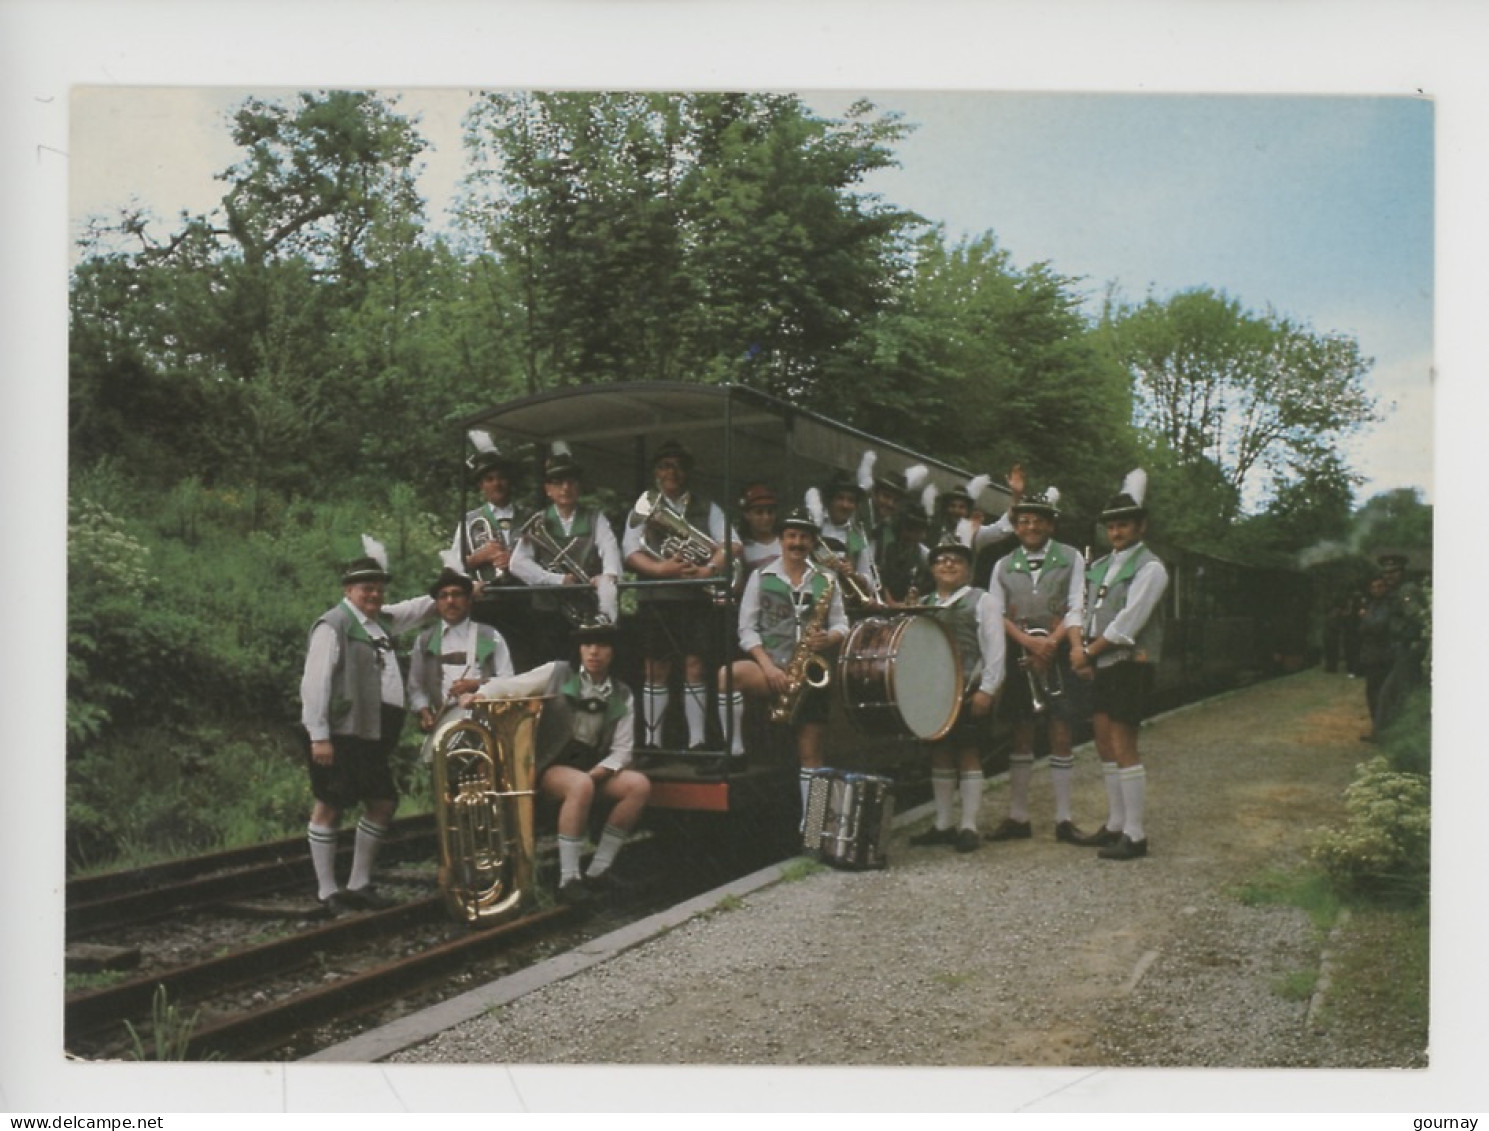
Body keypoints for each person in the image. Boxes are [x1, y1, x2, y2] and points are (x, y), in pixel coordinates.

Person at [299, 545, 436, 913]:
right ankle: (328, 892)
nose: (373, 594)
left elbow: (420, 608)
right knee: (330, 804)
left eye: (378, 587)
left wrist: (459, 587)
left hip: (374, 732)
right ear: (348, 591)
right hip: (342, 731)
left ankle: (359, 883)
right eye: (365, 588)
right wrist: (319, 735)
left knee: (382, 801)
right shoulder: (334, 625)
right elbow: (315, 684)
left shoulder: (382, 620)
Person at [718, 507, 849, 810]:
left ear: (813, 542)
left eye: (804, 536)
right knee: (728, 675)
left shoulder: (827, 580)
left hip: (809, 672)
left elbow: (843, 623)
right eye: (791, 535)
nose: (797, 542)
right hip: (772, 669)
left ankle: (812, 827)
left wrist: (829, 637)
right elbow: (747, 629)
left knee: (811, 756)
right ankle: (734, 750)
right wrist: (768, 667)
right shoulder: (760, 576)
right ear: (781, 539)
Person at [1069, 470, 1169, 861]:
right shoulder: (1100, 566)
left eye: (1123, 524)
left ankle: (1136, 833)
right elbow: (1080, 609)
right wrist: (1079, 650)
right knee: (1103, 743)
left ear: (1140, 526)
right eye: (1111, 525)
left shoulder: (1152, 567)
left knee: (1125, 745)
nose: (1116, 531)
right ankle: (1114, 824)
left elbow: (1129, 623)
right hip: (1099, 660)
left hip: (1128, 662)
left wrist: (1087, 652)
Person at [987, 487, 1092, 844]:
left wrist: (1051, 641)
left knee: (1061, 731)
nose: (1031, 526)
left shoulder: (1072, 557)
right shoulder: (1002, 565)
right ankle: (1018, 816)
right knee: (1021, 731)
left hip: (1058, 652)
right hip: (1021, 652)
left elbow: (1079, 604)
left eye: (1038, 520)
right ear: (1015, 527)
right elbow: (995, 614)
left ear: (1051, 525)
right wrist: (1028, 641)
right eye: (1024, 521)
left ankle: (1064, 819)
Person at [525, 618, 651, 905]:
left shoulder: (621, 693)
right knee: (580, 785)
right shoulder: (557, 673)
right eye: (587, 644)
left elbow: (622, 750)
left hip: (591, 765)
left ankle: (598, 870)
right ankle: (568, 879)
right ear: (579, 649)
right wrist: (477, 690)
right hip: (551, 765)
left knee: (638, 785)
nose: (594, 651)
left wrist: (596, 774)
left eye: (602, 645)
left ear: (613, 651)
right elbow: (508, 686)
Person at [622, 439, 732, 750]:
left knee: (695, 665)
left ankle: (696, 742)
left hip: (696, 597)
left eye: (678, 466)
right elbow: (630, 552)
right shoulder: (643, 507)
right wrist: (660, 570)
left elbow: (731, 544)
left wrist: (709, 569)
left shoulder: (707, 506)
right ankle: (653, 743)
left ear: (687, 471)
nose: (672, 472)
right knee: (655, 668)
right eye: (665, 466)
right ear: (657, 472)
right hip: (657, 598)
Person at [907, 538, 1007, 852]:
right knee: (939, 754)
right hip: (936, 693)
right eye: (941, 560)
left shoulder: (982, 600)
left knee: (968, 753)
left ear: (967, 568)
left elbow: (995, 649)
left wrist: (988, 689)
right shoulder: (923, 602)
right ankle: (943, 823)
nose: (948, 564)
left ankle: (968, 825)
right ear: (933, 568)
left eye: (956, 560)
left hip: (970, 689)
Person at [510, 441, 622, 663]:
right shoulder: (537, 521)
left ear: (579, 486)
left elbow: (610, 550)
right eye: (558, 483)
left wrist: (608, 577)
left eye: (571, 482)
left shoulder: (595, 518)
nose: (565, 488)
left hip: (585, 608)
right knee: (550, 667)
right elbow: (517, 564)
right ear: (548, 490)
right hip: (547, 611)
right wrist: (557, 579)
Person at [452, 430, 534, 666]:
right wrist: (480, 557)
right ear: (481, 486)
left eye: (501, 477)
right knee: (487, 662)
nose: (496, 483)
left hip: (523, 602)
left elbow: (543, 559)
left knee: (522, 661)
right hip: (486, 603)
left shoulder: (529, 517)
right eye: (489, 479)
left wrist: (516, 560)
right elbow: (453, 566)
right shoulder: (469, 520)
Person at [407, 568, 514, 734]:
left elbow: (508, 681)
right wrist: (425, 713)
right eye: (443, 596)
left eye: (457, 594)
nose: (450, 601)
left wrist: (476, 684)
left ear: (468, 600)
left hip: (489, 721)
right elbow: (416, 687)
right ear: (437, 604)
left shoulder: (489, 636)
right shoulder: (425, 642)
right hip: (446, 725)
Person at [810, 471, 880, 609]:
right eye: (840, 498)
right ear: (829, 500)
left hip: (840, 606)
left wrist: (853, 574)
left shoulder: (857, 536)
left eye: (851, 500)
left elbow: (871, 582)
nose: (845, 505)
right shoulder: (814, 526)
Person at [1356, 574, 1394, 741]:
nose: (1377, 590)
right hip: (1371, 655)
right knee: (1372, 694)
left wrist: (1365, 618)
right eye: (1374, 587)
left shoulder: (1386, 605)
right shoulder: (1372, 604)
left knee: (1379, 694)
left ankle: (1381, 731)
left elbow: (1379, 626)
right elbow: (1361, 631)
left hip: (1382, 655)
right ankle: (1377, 729)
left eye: (1380, 586)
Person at [734, 482, 783, 581]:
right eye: (759, 512)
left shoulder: (787, 541)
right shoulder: (742, 548)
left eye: (770, 512)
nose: (766, 517)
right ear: (747, 515)